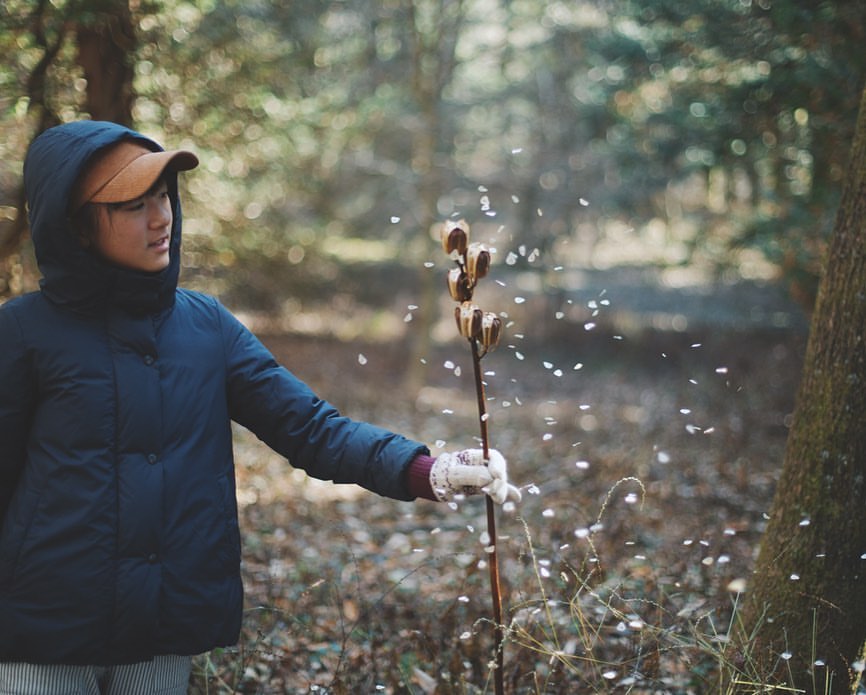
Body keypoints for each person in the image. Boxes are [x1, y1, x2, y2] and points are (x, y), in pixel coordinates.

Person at [0, 120, 520, 695]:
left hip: (159, 630)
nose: (161, 217)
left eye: (163, 196)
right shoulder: (23, 333)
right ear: (75, 225)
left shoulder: (206, 327)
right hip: (42, 635)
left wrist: (427, 469)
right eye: (132, 205)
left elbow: (309, 428)